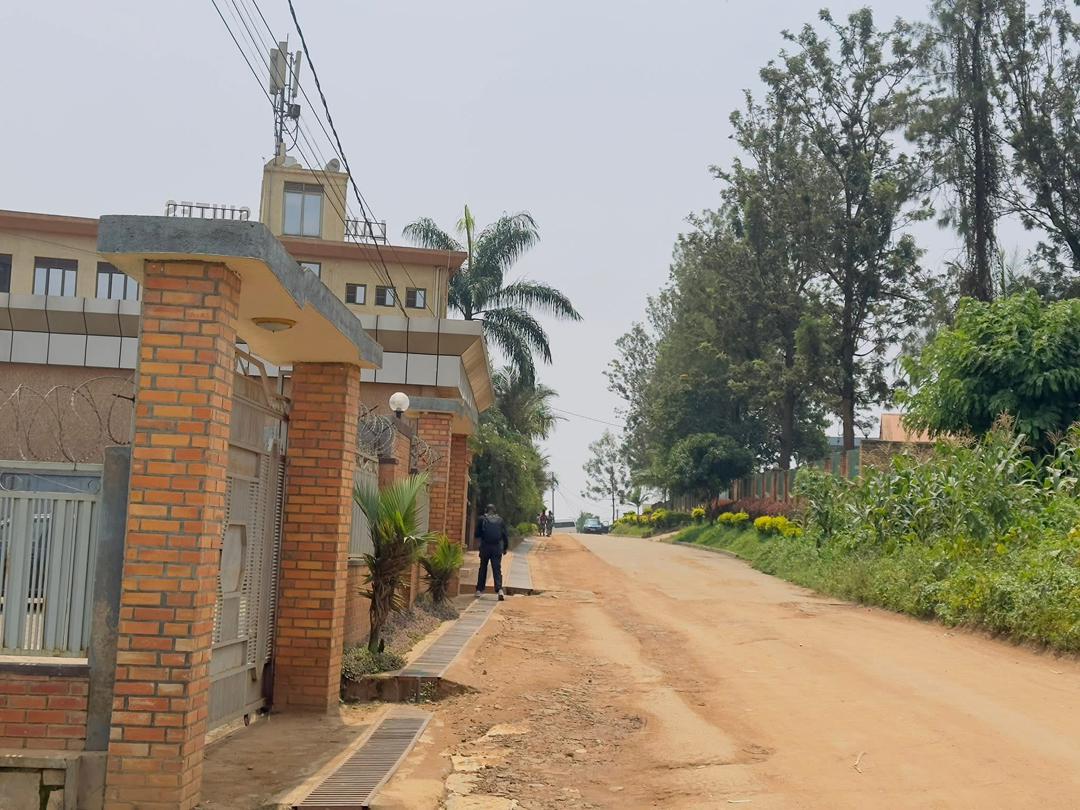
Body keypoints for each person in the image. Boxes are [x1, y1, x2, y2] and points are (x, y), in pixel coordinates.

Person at [475, 503, 509, 601]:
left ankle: (479, 590)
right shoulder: (500, 520)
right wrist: (505, 548)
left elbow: (477, 534)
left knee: (483, 568)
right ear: (495, 511)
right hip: (497, 548)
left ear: (486, 510)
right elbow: (505, 535)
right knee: (497, 569)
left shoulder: (482, 519)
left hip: (485, 547)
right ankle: (499, 590)